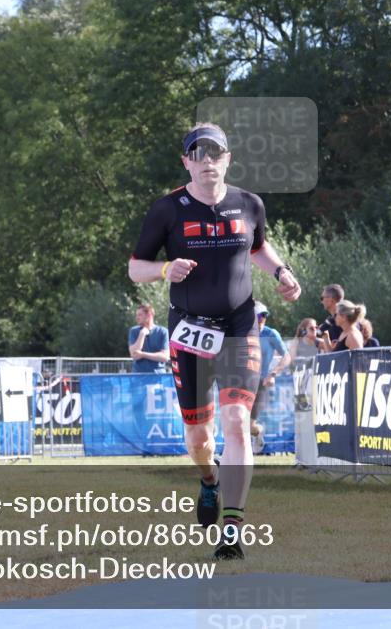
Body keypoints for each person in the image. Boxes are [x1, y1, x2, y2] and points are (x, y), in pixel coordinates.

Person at [128, 122, 301, 560]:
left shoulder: (249, 203)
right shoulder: (167, 210)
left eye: (215, 153)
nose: (207, 161)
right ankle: (209, 479)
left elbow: (258, 247)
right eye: (198, 153)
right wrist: (164, 270)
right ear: (186, 162)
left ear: (227, 159)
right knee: (199, 439)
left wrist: (281, 272)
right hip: (189, 330)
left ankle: (232, 529)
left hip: (239, 326)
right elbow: (135, 267)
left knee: (237, 421)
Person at [249, 302, 290, 453]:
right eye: (258, 316)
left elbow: (287, 356)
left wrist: (273, 373)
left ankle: (257, 431)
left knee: (248, 425)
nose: (262, 319)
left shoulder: (271, 334)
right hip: (241, 382)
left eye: (264, 315)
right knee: (236, 421)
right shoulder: (242, 333)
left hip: (261, 383)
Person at [127, 303, 170, 372]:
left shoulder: (163, 331)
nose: (137, 317)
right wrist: (142, 334)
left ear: (149, 315)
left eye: (140, 315)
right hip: (138, 376)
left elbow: (165, 357)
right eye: (136, 315)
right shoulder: (134, 331)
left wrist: (142, 354)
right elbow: (134, 355)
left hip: (158, 375)